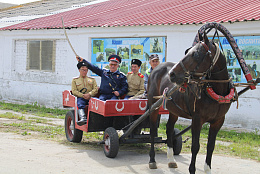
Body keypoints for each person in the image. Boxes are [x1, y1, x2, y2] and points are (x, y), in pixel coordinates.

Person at [71, 61, 98, 125]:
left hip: (90, 97)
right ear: (79, 70)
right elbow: (74, 91)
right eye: (83, 70)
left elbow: (95, 89)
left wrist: (89, 94)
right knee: (80, 103)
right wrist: (83, 95)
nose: (84, 72)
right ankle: (83, 118)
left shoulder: (92, 79)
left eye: (86, 70)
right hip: (81, 97)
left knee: (96, 104)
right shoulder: (75, 80)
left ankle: (95, 119)